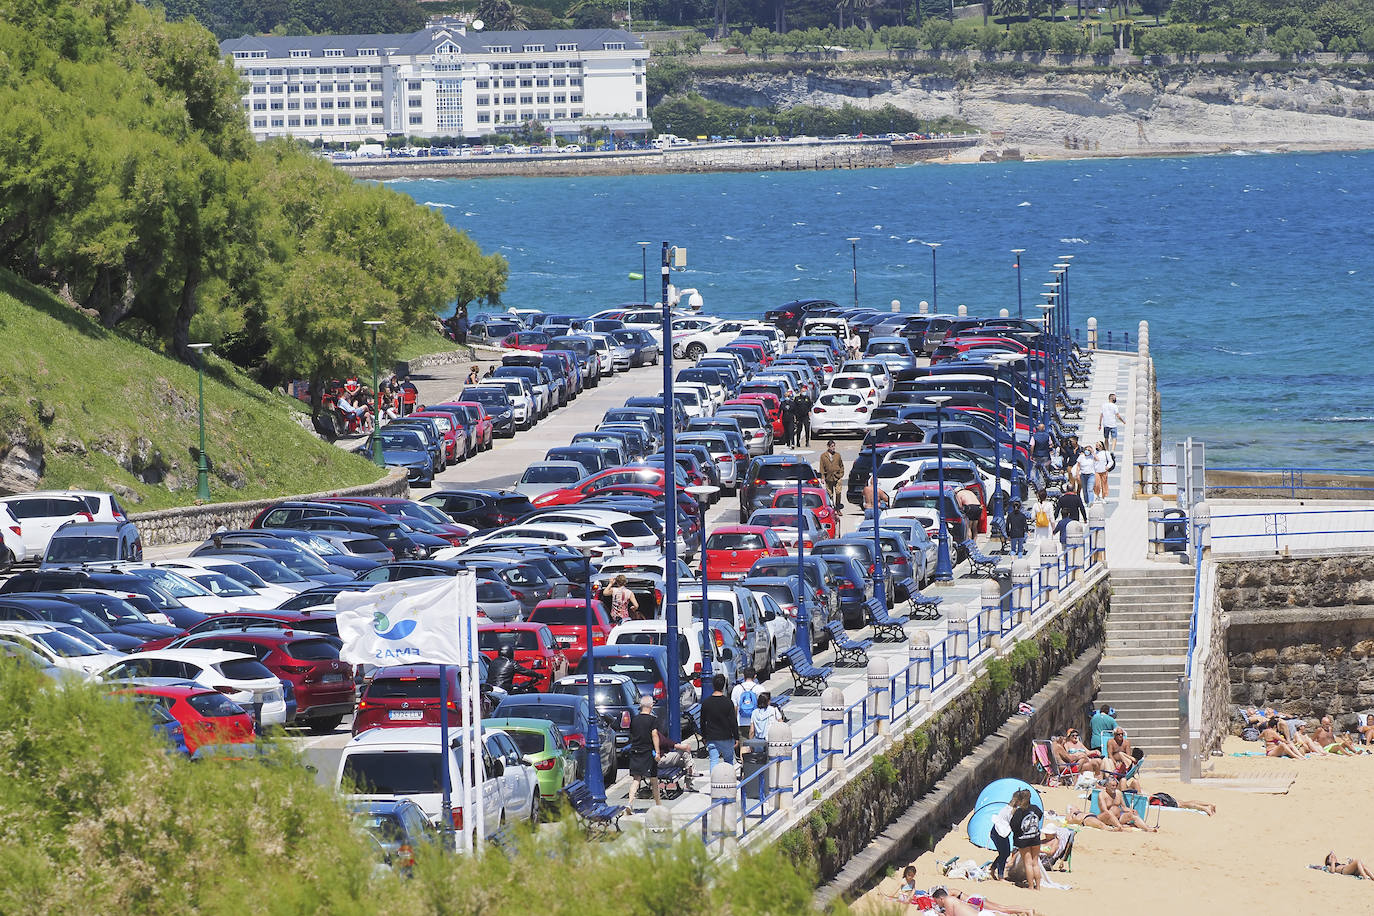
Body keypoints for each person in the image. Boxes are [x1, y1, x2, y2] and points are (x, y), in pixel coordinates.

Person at [699, 673, 738, 773]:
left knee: (713, 761)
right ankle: (728, 780)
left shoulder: (706, 702)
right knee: (729, 760)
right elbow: (733, 721)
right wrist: (736, 737)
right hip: (726, 736)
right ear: (724, 685)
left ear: (713, 685)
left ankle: (714, 782)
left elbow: (702, 721)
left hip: (712, 737)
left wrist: (704, 736)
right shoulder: (728, 702)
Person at [627, 696, 661, 806]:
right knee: (654, 779)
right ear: (651, 706)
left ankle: (629, 803)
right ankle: (658, 804)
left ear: (641, 706)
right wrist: (658, 752)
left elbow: (632, 734)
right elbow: (654, 735)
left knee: (636, 779)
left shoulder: (635, 719)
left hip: (635, 751)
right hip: (648, 753)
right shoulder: (653, 720)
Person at [1009, 790, 1044, 890]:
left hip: (1023, 840)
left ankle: (1031, 886)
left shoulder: (1019, 811)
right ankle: (1038, 886)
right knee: (1035, 863)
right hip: (1035, 838)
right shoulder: (1035, 808)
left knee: (1028, 863)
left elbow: (1013, 826)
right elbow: (1040, 816)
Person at [929, 887, 1036, 916]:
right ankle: (1026, 910)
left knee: (1003, 909)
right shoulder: (950, 894)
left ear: (940, 897)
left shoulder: (948, 896)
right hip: (975, 900)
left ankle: (1028, 910)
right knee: (1003, 908)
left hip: (974, 902)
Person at [989, 790, 1019, 881]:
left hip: (997, 832)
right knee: (1004, 854)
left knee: (1004, 853)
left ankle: (993, 869)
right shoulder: (1010, 811)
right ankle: (1000, 876)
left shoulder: (1007, 808)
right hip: (999, 833)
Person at [731, 667, 760, 740]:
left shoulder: (736, 688)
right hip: (756, 723)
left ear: (744, 676)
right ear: (755, 676)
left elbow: (734, 708)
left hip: (741, 723)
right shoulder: (760, 688)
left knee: (743, 747)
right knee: (755, 748)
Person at [819, 441, 845, 509]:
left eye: (834, 446)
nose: (833, 448)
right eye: (832, 446)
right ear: (828, 447)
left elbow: (841, 465)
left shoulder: (837, 455)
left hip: (837, 477)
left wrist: (841, 474)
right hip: (828, 477)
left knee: (838, 492)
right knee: (830, 494)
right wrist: (822, 477)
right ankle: (832, 507)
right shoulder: (823, 456)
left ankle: (838, 506)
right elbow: (821, 467)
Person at [1030, 423, 1053, 487]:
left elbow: (1032, 446)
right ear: (1044, 428)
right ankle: (1043, 483)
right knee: (1044, 469)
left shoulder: (1034, 436)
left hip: (1036, 455)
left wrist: (1031, 455)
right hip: (1045, 455)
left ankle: (1033, 481)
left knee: (1034, 469)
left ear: (1038, 428)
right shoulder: (1047, 436)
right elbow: (1051, 444)